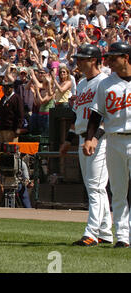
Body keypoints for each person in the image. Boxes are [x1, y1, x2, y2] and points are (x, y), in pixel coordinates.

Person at [60, 44, 113, 246]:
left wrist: (95, 138)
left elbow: (106, 117)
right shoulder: (81, 83)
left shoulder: (104, 82)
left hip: (99, 139)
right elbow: (77, 116)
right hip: (83, 136)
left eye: (82, 59)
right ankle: (106, 233)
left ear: (94, 60)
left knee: (95, 186)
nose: (78, 62)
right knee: (96, 187)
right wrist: (68, 140)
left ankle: (91, 232)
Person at [83, 41, 131, 249]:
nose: (109, 61)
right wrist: (89, 137)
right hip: (113, 139)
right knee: (118, 191)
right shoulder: (106, 83)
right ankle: (122, 236)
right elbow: (96, 114)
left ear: (126, 58)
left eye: (114, 57)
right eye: (108, 57)